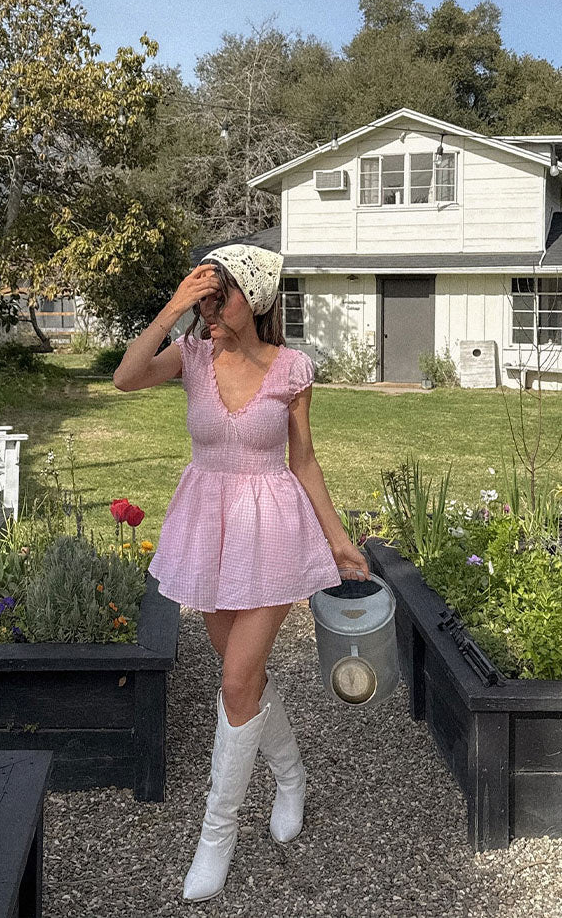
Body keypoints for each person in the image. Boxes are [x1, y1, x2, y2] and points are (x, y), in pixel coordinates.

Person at [113, 243, 371, 903]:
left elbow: (304, 461)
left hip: (272, 530)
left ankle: (216, 836)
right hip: (208, 528)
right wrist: (172, 306)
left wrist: (338, 541)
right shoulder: (194, 357)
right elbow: (126, 377)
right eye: (201, 298)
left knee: (233, 679)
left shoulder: (292, 368)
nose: (208, 309)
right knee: (244, 678)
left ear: (252, 299)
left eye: (216, 296)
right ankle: (291, 777)